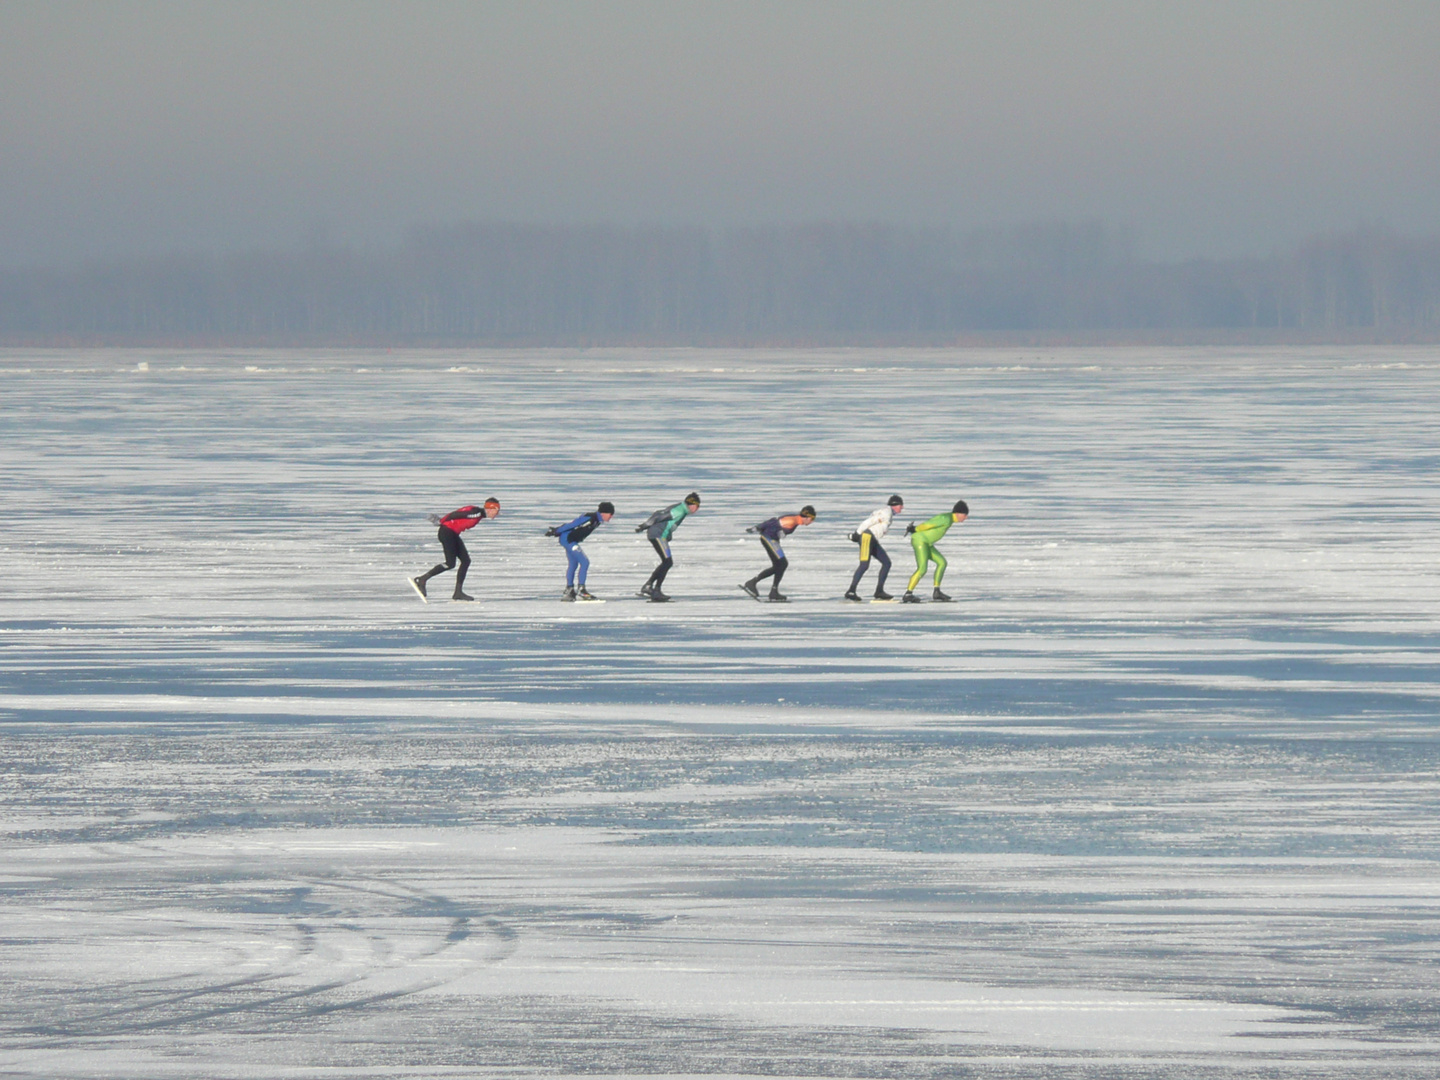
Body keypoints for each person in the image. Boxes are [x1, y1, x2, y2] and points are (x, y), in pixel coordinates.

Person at [409, 498, 500, 602]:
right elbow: (455, 515)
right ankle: (422, 579)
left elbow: (458, 515)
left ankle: (458, 592)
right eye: (496, 511)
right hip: (447, 533)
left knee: (465, 561)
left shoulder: (477, 513)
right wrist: (441, 521)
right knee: (450, 563)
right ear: (491, 509)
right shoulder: (476, 513)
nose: (497, 514)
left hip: (451, 533)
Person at [739, 506, 817, 601]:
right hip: (769, 539)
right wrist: (761, 528)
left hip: (771, 539)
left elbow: (776, 521)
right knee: (782, 564)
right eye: (812, 519)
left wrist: (761, 528)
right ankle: (758, 585)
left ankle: (767, 589)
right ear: (807, 517)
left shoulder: (796, 519)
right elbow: (774, 522)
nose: (812, 522)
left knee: (779, 565)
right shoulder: (792, 520)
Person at [636, 492, 700, 602]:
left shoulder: (681, 509)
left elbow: (661, 516)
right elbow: (659, 516)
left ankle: (651, 587)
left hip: (659, 535)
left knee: (666, 562)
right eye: (697, 506)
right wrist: (645, 525)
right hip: (658, 535)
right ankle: (654, 588)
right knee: (667, 562)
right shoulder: (679, 510)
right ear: (692, 505)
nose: (697, 509)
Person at [901, 500, 969, 603]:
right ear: (958, 513)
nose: (966, 517)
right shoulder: (945, 518)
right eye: (965, 515)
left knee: (942, 562)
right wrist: (916, 529)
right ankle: (908, 593)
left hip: (927, 543)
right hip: (920, 541)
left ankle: (937, 592)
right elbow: (928, 525)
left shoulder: (949, 519)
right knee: (922, 569)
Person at [546, 501, 615, 600]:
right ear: (604, 513)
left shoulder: (596, 520)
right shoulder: (591, 518)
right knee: (585, 562)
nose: (611, 517)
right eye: (611, 514)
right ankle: (581, 590)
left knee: (573, 564)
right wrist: (556, 531)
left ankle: (569, 590)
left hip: (570, 540)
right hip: (569, 540)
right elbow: (572, 524)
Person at [845, 495, 903, 601]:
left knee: (886, 563)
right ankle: (851, 590)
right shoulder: (886, 512)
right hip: (867, 537)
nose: (902, 508)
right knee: (864, 565)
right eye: (901, 505)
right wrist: (857, 534)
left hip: (872, 539)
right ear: (895, 505)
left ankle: (879, 591)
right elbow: (868, 522)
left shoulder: (888, 513)